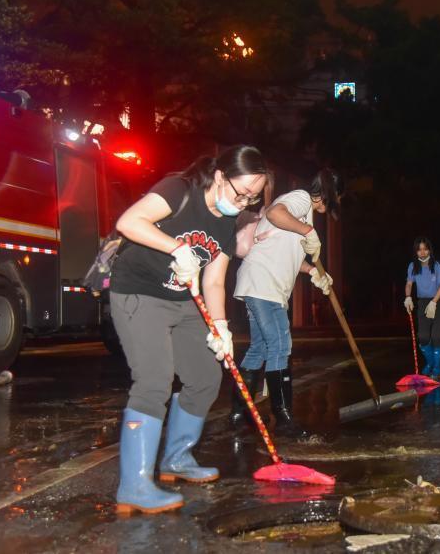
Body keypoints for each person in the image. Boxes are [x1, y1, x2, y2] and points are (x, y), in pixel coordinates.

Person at [110, 145, 268, 515]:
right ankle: (133, 485)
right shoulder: (179, 189)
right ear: (219, 176)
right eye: (239, 192)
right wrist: (177, 249)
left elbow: (214, 281)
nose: (243, 202)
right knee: (154, 381)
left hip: (186, 300)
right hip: (139, 292)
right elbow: (129, 222)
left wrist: (221, 327)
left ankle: (177, 459)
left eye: (252, 197)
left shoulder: (228, 222)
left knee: (205, 377)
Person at [231, 169, 343, 437]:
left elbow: (286, 251)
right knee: (280, 344)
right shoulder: (302, 198)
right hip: (263, 282)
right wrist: (308, 230)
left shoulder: (305, 211)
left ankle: (239, 411)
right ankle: (283, 418)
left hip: (263, 282)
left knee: (260, 347)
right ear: (329, 194)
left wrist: (313, 271)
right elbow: (273, 213)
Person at [404, 237, 440, 379]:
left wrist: (434, 302)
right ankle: (430, 363)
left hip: (439, 301)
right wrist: (408, 297)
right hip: (423, 302)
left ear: (429, 249)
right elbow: (409, 284)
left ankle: (437, 368)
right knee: (423, 337)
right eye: (419, 249)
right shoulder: (413, 266)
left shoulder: (438, 265)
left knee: (436, 336)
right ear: (416, 252)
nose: (422, 252)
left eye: (425, 249)